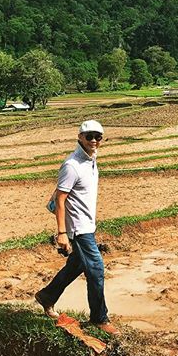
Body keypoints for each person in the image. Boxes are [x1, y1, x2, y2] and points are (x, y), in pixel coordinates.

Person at [35, 120, 119, 335]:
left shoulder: (91, 159)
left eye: (97, 137)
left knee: (77, 265)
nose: (93, 141)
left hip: (87, 224)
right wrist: (62, 233)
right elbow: (60, 199)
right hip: (79, 229)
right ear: (79, 137)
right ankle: (99, 318)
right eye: (89, 136)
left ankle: (47, 296)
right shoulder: (72, 165)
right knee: (96, 270)